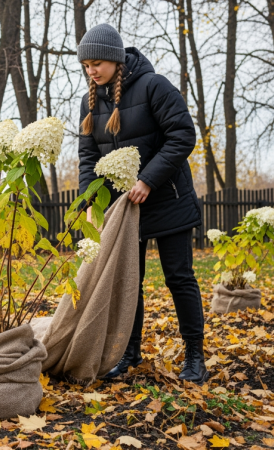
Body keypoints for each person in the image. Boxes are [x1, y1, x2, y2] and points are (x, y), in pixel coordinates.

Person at [76, 24, 207, 383]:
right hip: (124, 209)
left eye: (98, 63)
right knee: (128, 282)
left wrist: (148, 179)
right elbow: (87, 158)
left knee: (178, 278)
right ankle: (128, 355)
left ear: (117, 60)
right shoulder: (91, 103)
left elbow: (183, 135)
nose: (92, 71)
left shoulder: (154, 86)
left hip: (168, 201)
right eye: (87, 65)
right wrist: (90, 202)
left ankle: (195, 356)